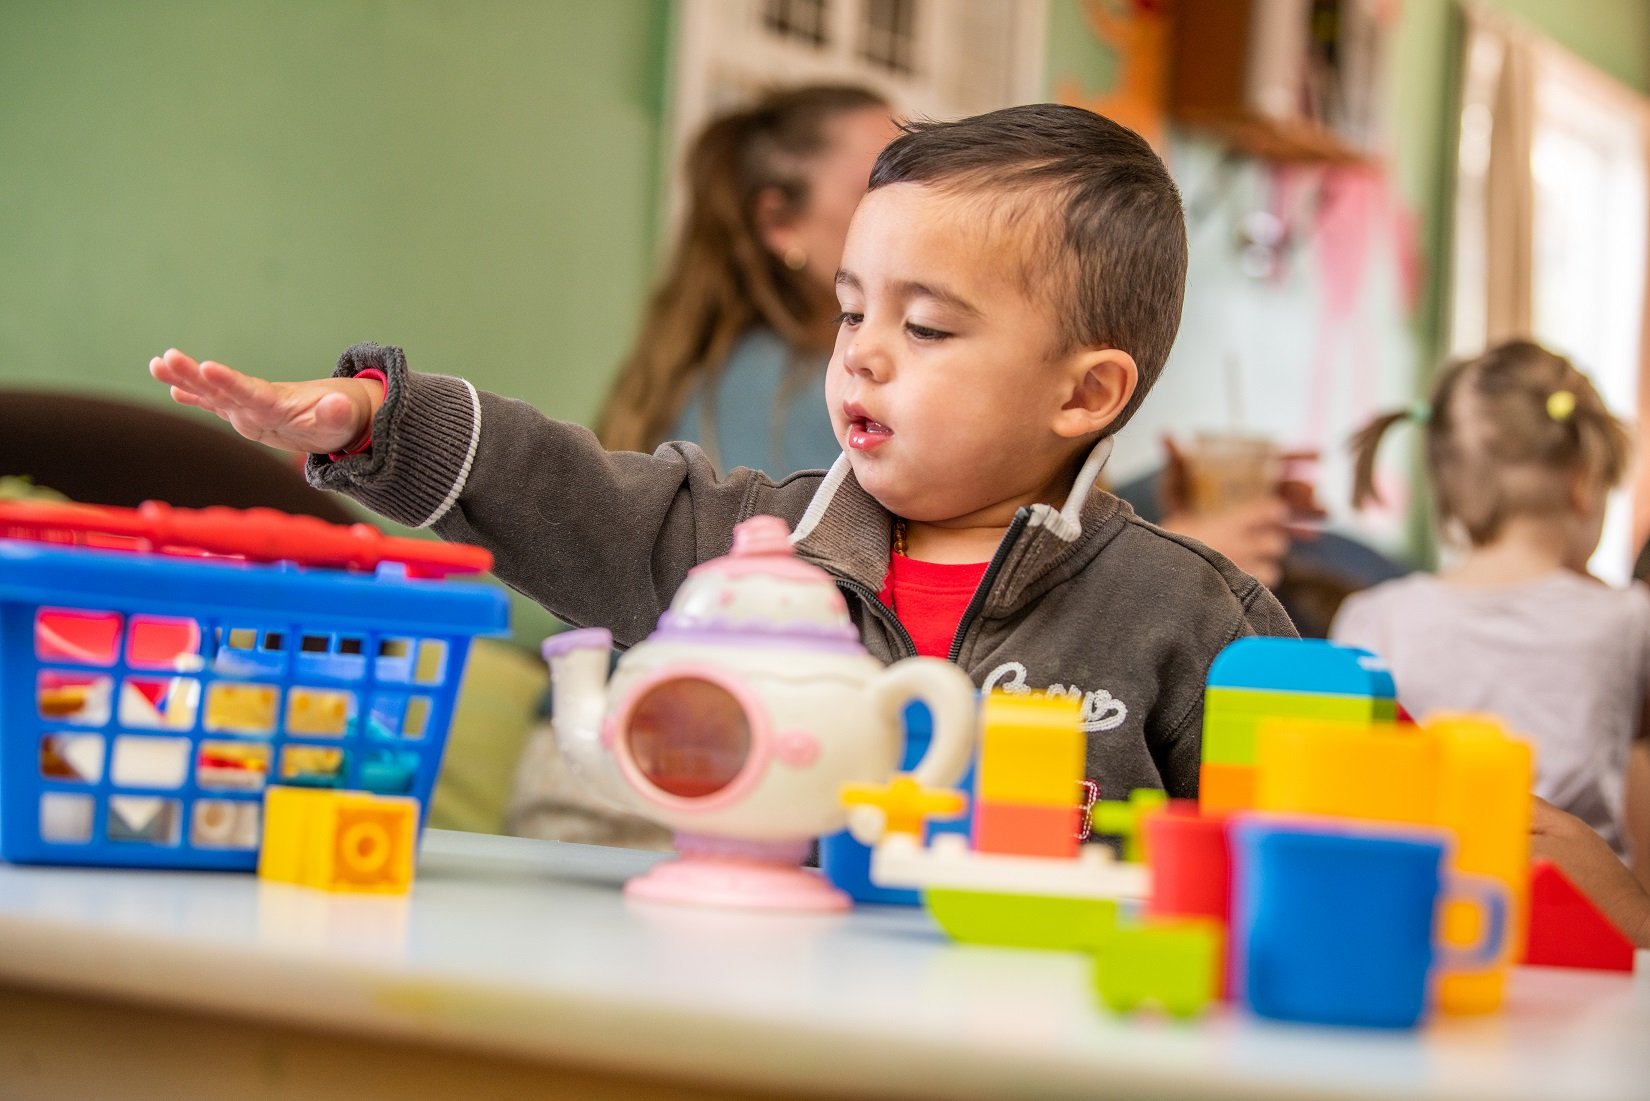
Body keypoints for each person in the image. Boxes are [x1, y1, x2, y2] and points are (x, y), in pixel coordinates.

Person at [151, 103, 1297, 812]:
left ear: (1084, 393)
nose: (865, 359)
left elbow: (1325, 823)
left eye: (928, 328)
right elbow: (570, 493)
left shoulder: (1188, 614)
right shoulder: (754, 545)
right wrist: (376, 421)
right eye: (852, 314)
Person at [1331, 340, 1650, 875]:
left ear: (1451, 492)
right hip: (1587, 923)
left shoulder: (1371, 617)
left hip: (1423, 908)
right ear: (1583, 483)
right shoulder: (1630, 620)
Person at [598, 84, 897, 476]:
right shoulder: (807, 395)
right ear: (779, 221)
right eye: (877, 193)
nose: (912, 216)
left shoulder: (710, 373)